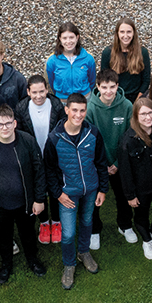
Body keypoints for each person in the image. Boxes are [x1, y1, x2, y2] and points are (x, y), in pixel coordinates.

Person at [43, 93, 109, 290]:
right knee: (68, 233)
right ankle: (69, 264)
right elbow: (49, 170)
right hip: (67, 194)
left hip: (90, 190)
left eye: (82, 110)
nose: (78, 115)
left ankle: (83, 252)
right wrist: (58, 194)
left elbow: (101, 163)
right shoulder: (54, 138)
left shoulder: (93, 133)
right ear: (66, 110)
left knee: (87, 222)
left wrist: (103, 189)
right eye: (74, 110)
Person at [0, 105, 48, 283]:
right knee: (3, 237)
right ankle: (6, 264)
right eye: (0, 124)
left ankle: (32, 260)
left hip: (26, 202)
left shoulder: (27, 141)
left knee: (28, 234)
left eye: (8, 123)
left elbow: (39, 171)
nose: (5, 128)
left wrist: (39, 199)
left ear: (15, 123)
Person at [118, 98, 152, 260]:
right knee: (141, 216)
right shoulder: (127, 140)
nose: (148, 117)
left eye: (150, 113)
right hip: (140, 187)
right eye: (143, 114)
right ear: (135, 116)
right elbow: (125, 171)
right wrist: (130, 195)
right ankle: (147, 240)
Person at [87, 69, 135, 248]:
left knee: (123, 195)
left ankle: (125, 225)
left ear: (117, 86)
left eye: (112, 87)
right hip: (98, 162)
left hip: (120, 162)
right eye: (104, 87)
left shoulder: (127, 106)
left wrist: (116, 163)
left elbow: (129, 136)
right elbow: (90, 139)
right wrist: (103, 165)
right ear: (98, 86)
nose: (108, 91)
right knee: (95, 197)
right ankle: (94, 229)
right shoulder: (90, 107)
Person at [16, 74, 66, 245]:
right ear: (28, 91)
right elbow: (21, 135)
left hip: (54, 155)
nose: (39, 96)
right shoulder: (21, 108)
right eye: (34, 92)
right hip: (34, 157)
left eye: (42, 91)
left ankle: (57, 222)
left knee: (55, 189)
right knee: (40, 189)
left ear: (47, 90)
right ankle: (44, 223)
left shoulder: (57, 106)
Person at [101, 16, 152, 102]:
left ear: (133, 33)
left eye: (129, 32)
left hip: (137, 98)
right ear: (117, 34)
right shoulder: (107, 53)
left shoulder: (142, 52)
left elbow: (146, 80)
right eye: (122, 32)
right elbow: (104, 79)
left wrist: (138, 100)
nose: (125, 36)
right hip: (115, 98)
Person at [45, 21, 98, 101]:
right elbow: (51, 82)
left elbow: (92, 80)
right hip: (62, 101)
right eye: (65, 38)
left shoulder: (88, 58)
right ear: (60, 39)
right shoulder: (52, 61)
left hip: (84, 100)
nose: (68, 41)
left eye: (71, 37)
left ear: (77, 37)